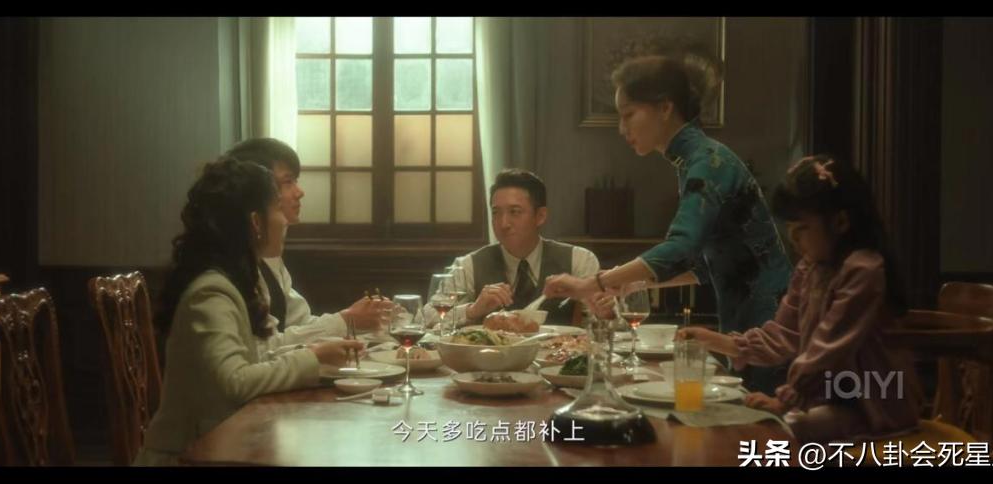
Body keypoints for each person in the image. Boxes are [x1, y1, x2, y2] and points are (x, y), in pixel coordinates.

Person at [544, 53, 793, 392]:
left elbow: (681, 248)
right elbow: (703, 264)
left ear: (664, 108)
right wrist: (634, 284)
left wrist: (593, 283)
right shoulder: (695, 160)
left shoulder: (707, 162)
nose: (622, 129)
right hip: (748, 320)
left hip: (770, 323)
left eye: (628, 114)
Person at [677, 155, 920, 444]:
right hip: (832, 399)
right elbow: (784, 333)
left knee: (780, 430)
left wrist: (787, 398)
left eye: (802, 228)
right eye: (789, 227)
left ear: (840, 221)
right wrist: (717, 342)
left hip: (875, 404)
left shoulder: (863, 270)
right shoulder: (810, 268)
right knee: (751, 422)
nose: (792, 238)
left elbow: (828, 346)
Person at [134, 158, 363, 465]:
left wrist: (316, 353)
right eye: (278, 209)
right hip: (190, 456)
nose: (284, 221)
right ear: (256, 222)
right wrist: (313, 358)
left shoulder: (237, 280)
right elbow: (235, 382)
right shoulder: (211, 292)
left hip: (225, 445)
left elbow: (257, 355)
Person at [224, 138, 394, 353]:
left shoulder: (269, 257)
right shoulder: (231, 269)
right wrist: (345, 320)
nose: (299, 192)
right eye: (288, 182)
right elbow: (259, 349)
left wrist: (354, 320)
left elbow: (299, 322)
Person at [435, 169, 602, 327]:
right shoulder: (468, 265)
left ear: (540, 216)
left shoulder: (579, 260)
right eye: (496, 213)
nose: (503, 223)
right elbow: (430, 315)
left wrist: (604, 311)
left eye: (515, 212)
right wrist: (473, 310)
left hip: (560, 347)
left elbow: (604, 322)